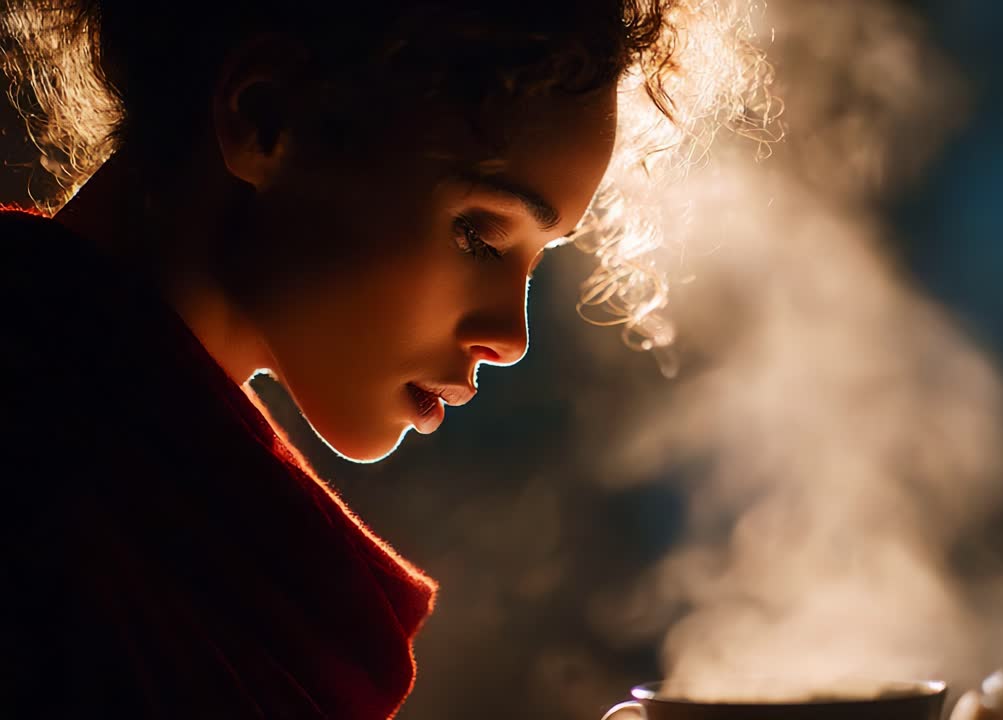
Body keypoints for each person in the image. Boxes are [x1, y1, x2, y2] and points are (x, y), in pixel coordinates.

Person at [0, 1, 766, 716]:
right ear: (266, 120)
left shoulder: (164, 513)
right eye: (480, 236)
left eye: (537, 264)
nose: (511, 338)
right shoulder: (41, 503)